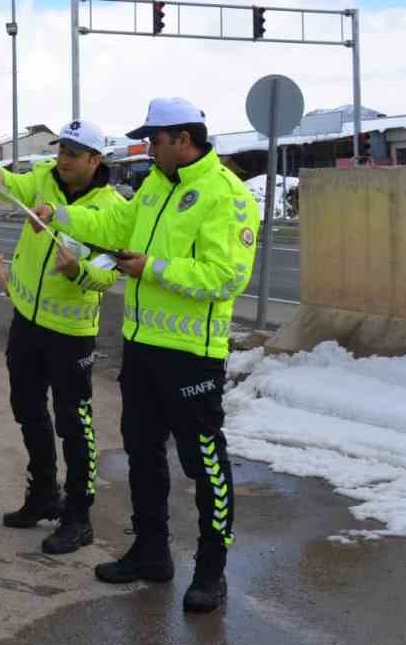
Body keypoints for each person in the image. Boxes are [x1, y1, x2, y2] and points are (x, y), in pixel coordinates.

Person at [30, 98, 261, 614]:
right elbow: (115, 226)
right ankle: (151, 552)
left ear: (183, 139)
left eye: (154, 140)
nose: (148, 149)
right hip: (142, 349)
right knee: (142, 453)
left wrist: (150, 268)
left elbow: (225, 278)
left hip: (192, 355)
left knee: (204, 463)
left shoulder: (227, 196)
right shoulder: (155, 185)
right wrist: (59, 215)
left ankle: (211, 570)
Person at [0, 120, 123, 554]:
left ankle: (79, 516)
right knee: (26, 407)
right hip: (27, 321)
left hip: (71, 334)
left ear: (95, 160)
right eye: (61, 151)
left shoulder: (112, 210)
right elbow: (12, 187)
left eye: (73, 155)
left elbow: (107, 275)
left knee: (74, 423)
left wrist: (78, 271)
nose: (63, 160)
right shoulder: (44, 177)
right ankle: (43, 493)